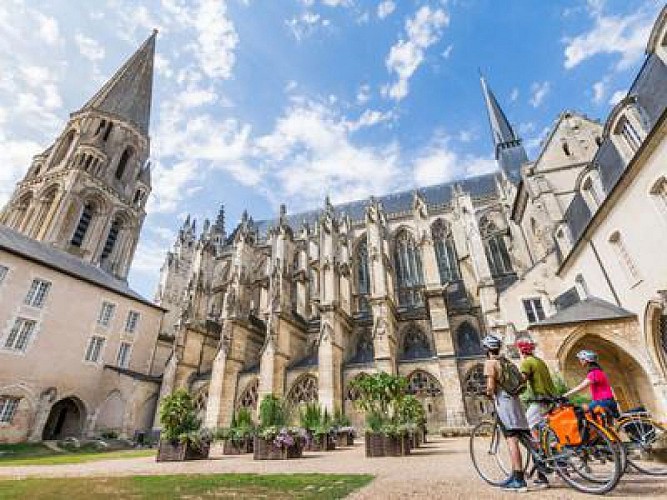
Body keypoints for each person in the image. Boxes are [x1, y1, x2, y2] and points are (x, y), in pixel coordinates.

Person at [483, 334, 529, 492]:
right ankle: (546, 467)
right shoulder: (507, 362)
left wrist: (488, 393)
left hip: (504, 405)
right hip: (517, 403)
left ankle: (519, 479)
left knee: (512, 440)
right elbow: (522, 381)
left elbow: (490, 387)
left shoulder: (491, 363)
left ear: (487, 349)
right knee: (526, 436)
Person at [517, 336, 556, 488]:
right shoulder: (539, 361)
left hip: (541, 400)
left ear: (521, 350)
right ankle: (552, 460)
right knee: (543, 432)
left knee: (526, 430)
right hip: (551, 399)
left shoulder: (527, 362)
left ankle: (541, 467)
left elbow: (522, 381)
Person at [563, 350, 619, 418]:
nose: (580, 361)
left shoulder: (594, 373)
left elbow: (581, 387)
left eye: (581, 359)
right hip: (608, 400)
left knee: (579, 412)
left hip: (602, 401)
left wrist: (565, 395)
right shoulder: (598, 371)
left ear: (586, 360)